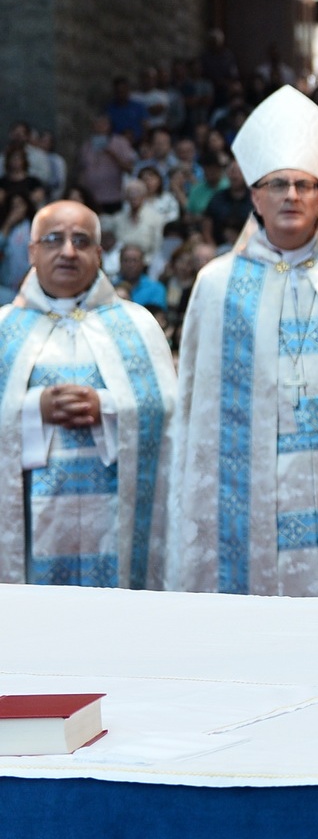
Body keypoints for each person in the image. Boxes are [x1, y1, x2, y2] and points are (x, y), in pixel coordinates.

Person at [164, 86, 318, 599]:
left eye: (304, 185)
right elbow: (198, 411)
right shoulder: (218, 282)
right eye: (278, 185)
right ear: (255, 196)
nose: (291, 196)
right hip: (251, 491)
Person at [0, 201, 174, 588]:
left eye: (81, 241)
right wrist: (34, 409)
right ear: (32, 251)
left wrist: (108, 408)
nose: (67, 251)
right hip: (33, 520)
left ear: (99, 253)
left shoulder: (135, 324)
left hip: (115, 517)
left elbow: (168, 416)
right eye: (53, 240)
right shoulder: (4, 329)